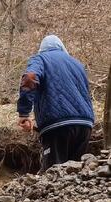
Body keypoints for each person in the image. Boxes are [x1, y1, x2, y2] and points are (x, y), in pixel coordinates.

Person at [17, 35, 94, 171]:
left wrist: (24, 113)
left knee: (54, 175)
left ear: (42, 50)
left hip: (57, 126)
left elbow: (30, 78)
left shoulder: (41, 59)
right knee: (74, 175)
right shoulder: (77, 64)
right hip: (85, 125)